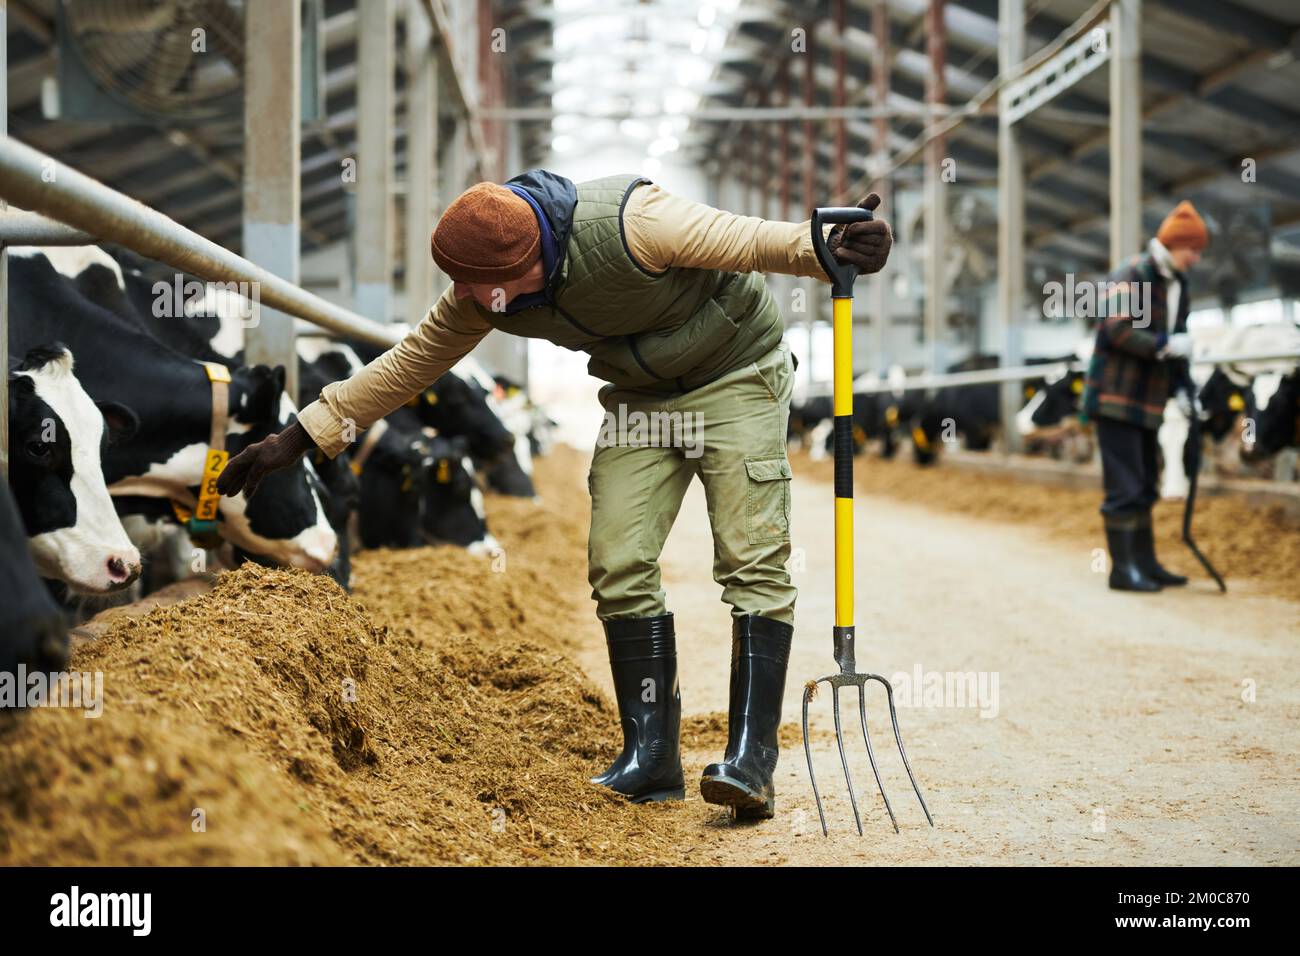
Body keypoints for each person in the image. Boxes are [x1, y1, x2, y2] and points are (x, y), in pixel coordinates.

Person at [215, 169, 892, 820]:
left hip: (736, 374)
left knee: (751, 558)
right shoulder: (482, 291)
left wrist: (823, 248)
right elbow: (406, 365)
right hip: (642, 403)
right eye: (469, 289)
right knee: (618, 562)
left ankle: (750, 761)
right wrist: (294, 440)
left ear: (537, 251)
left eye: (495, 290)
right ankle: (651, 759)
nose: (484, 305)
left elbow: (744, 239)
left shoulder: (633, 222)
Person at [1081, 200, 1208, 592]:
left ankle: (1145, 562)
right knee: (1125, 484)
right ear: (1174, 245)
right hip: (1116, 396)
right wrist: (1164, 344)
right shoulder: (1133, 273)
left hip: (1150, 399)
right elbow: (1116, 330)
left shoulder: (1179, 284)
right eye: (1193, 250)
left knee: (1147, 480)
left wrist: (1186, 390)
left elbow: (1179, 340)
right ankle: (1122, 570)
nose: (1196, 259)